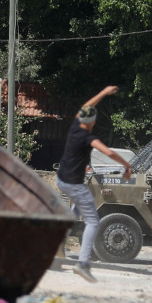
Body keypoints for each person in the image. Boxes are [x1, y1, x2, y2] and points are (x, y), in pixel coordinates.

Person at [56, 86, 132, 283]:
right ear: (93, 122)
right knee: (92, 221)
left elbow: (86, 106)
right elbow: (108, 152)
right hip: (74, 184)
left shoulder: (74, 127)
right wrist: (126, 165)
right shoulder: (89, 137)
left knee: (75, 208)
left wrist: (103, 93)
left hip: (61, 179)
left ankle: (61, 237)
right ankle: (82, 264)